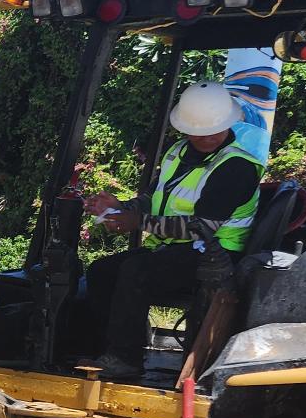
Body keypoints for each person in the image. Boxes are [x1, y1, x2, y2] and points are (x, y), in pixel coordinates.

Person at [80, 82, 263, 382]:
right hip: (175, 247)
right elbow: (154, 198)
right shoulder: (177, 153)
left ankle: (126, 360)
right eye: (199, 130)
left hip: (216, 254)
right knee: (101, 271)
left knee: (136, 271)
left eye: (214, 129)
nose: (207, 136)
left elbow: (202, 228)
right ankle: (109, 349)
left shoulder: (237, 166)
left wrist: (136, 222)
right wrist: (120, 207)